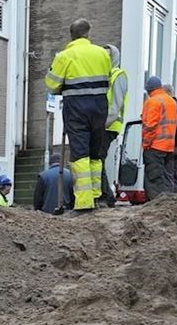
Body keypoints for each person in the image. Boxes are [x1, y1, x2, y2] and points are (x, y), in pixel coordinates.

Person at [45, 19, 112, 212]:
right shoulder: (102, 54)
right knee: (95, 153)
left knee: (80, 153)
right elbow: (106, 78)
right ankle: (97, 196)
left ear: (71, 35)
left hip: (76, 108)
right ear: (88, 34)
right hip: (100, 107)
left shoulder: (65, 56)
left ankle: (84, 202)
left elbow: (51, 84)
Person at [140, 76, 177, 200]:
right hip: (169, 146)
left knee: (153, 179)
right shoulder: (171, 101)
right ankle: (168, 204)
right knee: (167, 178)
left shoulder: (152, 102)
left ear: (148, 90)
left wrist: (146, 144)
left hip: (155, 146)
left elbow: (150, 126)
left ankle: (155, 206)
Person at [99, 44, 128, 207]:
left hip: (109, 125)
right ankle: (105, 195)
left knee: (98, 158)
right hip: (104, 124)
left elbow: (115, 106)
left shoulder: (118, 75)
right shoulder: (105, 75)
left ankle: (106, 196)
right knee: (97, 158)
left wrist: (103, 123)